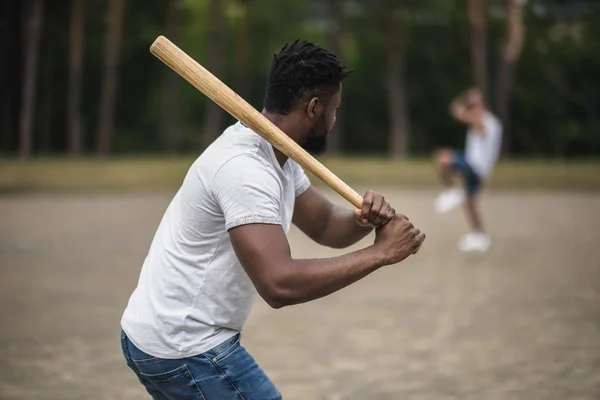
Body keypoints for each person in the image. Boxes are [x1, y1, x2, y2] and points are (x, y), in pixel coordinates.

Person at [120, 39, 426, 400]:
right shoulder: (245, 169)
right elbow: (279, 284)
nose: (335, 119)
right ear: (314, 108)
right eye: (335, 109)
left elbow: (325, 223)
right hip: (186, 346)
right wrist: (381, 254)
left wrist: (364, 220)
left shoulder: (277, 155)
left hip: (162, 334)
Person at [433, 87, 502, 252]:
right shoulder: (485, 119)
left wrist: (469, 103)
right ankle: (479, 236)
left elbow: (460, 114)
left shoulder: (487, 121)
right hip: (478, 168)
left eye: (476, 105)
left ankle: (451, 192)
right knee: (470, 203)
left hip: (475, 166)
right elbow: (456, 111)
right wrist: (466, 97)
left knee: (442, 158)